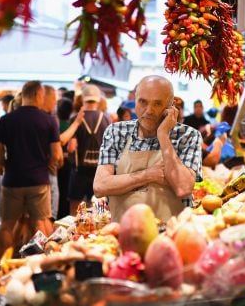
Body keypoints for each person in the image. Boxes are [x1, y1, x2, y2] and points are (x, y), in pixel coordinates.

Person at [94, 76, 202, 222]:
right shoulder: (116, 132)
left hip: (171, 235)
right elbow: (100, 186)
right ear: (135, 101)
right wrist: (149, 175)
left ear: (171, 107)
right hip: (122, 233)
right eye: (143, 102)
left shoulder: (188, 136)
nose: (149, 110)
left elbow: (183, 187)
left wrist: (163, 135)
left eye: (157, 104)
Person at [0, 81, 62, 254]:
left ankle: (1, 266)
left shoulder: (6, 120)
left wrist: (1, 165)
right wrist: (49, 163)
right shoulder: (48, 120)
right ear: (38, 95)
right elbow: (57, 155)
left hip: (12, 180)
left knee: (7, 225)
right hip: (38, 180)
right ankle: (44, 265)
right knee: (41, 222)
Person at [65, 85, 110, 215]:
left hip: (80, 171)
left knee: (75, 208)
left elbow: (71, 147)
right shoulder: (106, 118)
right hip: (100, 171)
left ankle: (75, 234)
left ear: (82, 98)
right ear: (98, 100)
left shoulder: (76, 118)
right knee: (99, 209)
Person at [40, 85, 60, 220]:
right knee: (48, 217)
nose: (55, 102)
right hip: (45, 174)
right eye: (53, 98)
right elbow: (56, 153)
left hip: (30, 176)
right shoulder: (49, 120)